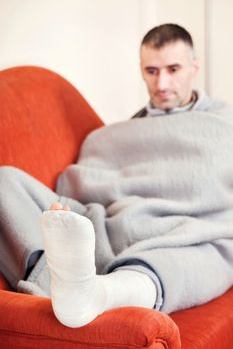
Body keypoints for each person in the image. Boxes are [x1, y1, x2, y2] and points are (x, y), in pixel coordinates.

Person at [1, 23, 233, 328]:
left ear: (194, 67)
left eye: (173, 69)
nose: (162, 83)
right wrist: (74, 213)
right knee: (5, 181)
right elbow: (86, 185)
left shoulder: (223, 125)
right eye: (152, 71)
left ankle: (95, 293)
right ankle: (56, 276)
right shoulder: (119, 134)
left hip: (188, 235)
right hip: (109, 226)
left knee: (217, 252)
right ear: (141, 70)